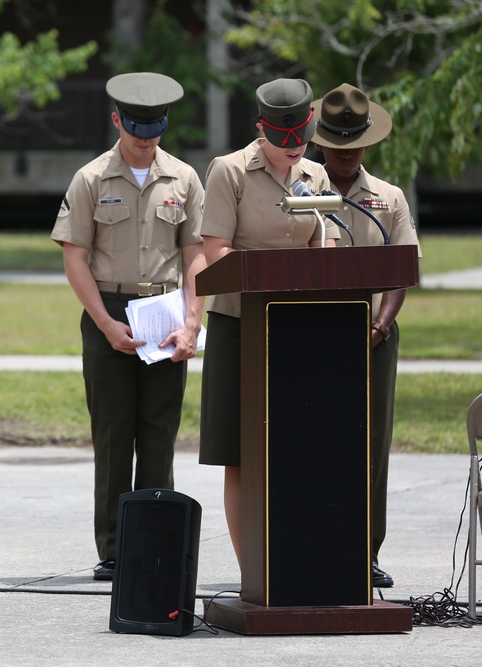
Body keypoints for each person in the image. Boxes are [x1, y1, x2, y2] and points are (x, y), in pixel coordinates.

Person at [51, 72, 207, 581]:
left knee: (159, 433)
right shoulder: (92, 178)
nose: (145, 138)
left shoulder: (183, 178)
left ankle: (154, 541)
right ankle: (116, 549)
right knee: (115, 434)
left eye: (154, 128)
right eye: (136, 127)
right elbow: (75, 258)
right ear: (117, 120)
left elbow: (195, 255)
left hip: (163, 314)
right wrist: (104, 324)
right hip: (109, 311)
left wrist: (191, 324)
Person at [198, 78, 340, 570]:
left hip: (297, 327)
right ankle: (252, 572)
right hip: (241, 324)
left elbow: (324, 242)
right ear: (262, 130)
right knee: (240, 450)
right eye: (283, 142)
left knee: (298, 444)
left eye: (300, 140)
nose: (292, 150)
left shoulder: (317, 177)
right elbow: (214, 248)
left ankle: (296, 562)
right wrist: (265, 276)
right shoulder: (229, 172)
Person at [310, 83, 421, 588]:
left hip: (374, 339)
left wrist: (380, 322)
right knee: (313, 441)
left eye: (355, 140)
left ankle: (364, 551)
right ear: (320, 142)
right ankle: (310, 544)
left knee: (371, 445)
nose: (348, 150)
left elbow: (402, 269)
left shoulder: (389, 198)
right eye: (337, 141)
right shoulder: (304, 195)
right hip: (310, 337)